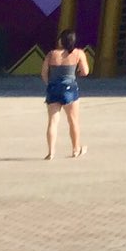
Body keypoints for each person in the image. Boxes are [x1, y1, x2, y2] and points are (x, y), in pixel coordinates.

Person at [42, 29, 90, 160]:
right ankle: (76, 149)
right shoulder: (78, 53)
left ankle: (51, 152)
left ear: (61, 40)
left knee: (52, 122)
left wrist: (49, 84)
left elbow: (44, 73)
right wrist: (76, 74)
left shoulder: (51, 54)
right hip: (69, 89)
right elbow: (85, 71)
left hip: (53, 89)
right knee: (73, 121)